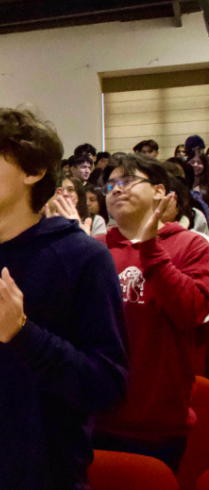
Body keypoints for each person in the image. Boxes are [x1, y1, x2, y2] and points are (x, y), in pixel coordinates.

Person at [0, 108, 127, 490]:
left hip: (46, 471)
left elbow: (106, 385)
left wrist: (21, 334)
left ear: (33, 172)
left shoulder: (84, 258)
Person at [93, 153, 209, 472]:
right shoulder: (95, 248)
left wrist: (151, 250)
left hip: (158, 426)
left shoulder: (192, 245)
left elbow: (191, 312)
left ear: (159, 190)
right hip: (94, 417)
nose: (116, 189)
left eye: (128, 180)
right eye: (111, 185)